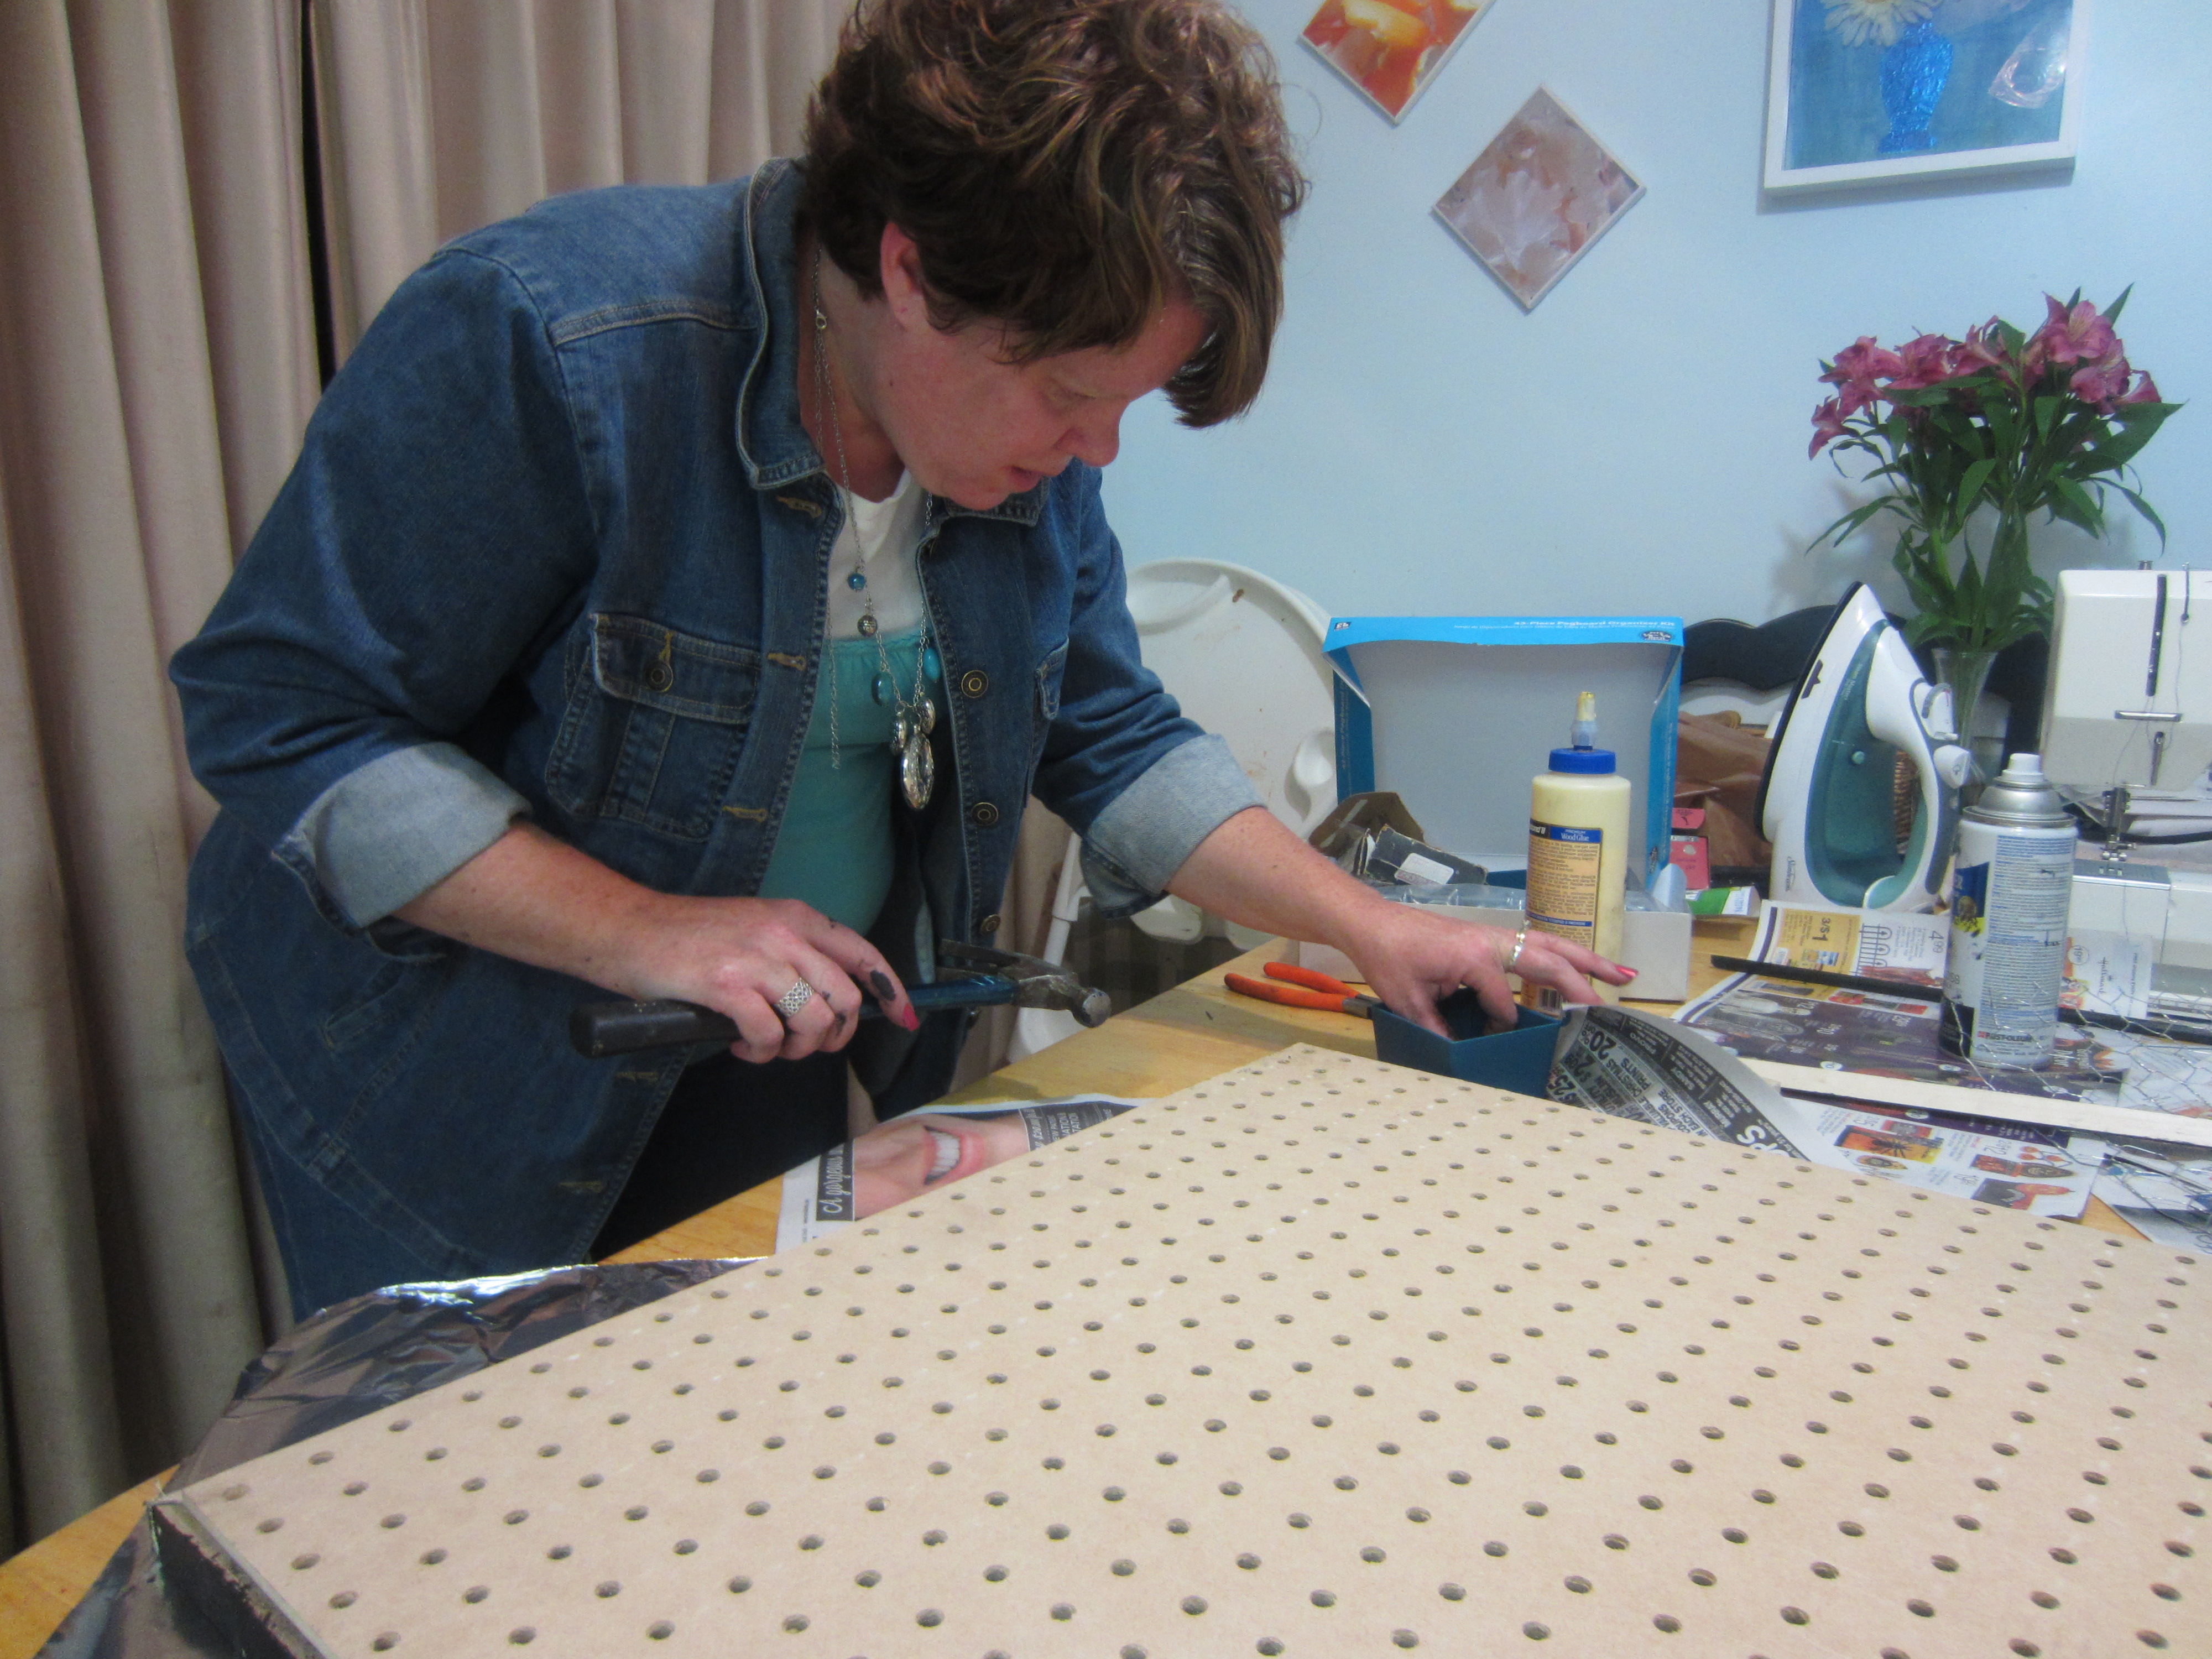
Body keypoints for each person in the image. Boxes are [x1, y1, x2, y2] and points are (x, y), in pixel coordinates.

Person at [174, 0, 1628, 1320]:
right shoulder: (557, 341)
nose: (1097, 452)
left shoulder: (1015, 447)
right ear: (912, 273)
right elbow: (280, 717)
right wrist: (646, 928)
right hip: (466, 1066)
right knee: (491, 1451)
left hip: (764, 1029)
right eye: (1072, 394)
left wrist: (1372, 925)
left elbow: (1111, 735)